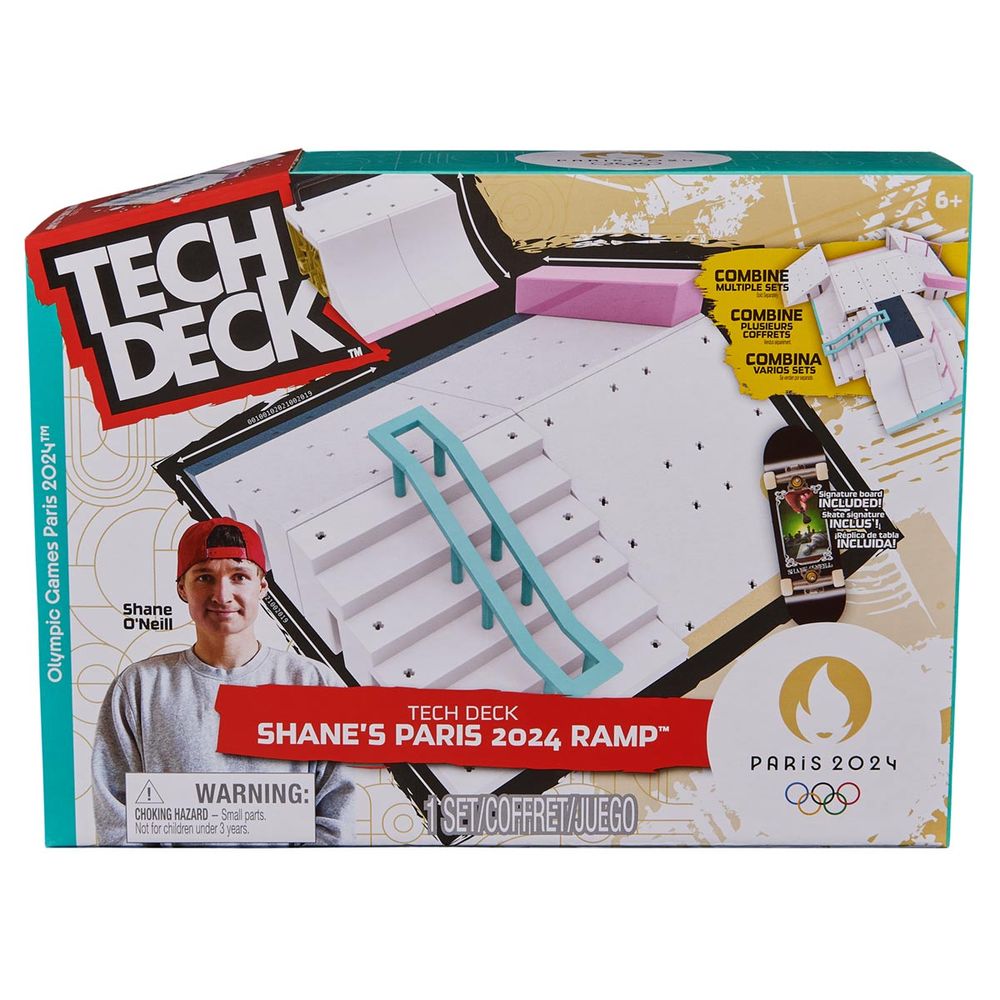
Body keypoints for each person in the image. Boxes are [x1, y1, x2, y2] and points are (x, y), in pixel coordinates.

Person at [92, 517, 354, 845]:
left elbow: (335, 816)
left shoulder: (313, 683)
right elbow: (118, 819)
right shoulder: (139, 688)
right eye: (204, 577)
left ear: (262, 587)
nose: (222, 595)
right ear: (182, 588)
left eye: (239, 576)